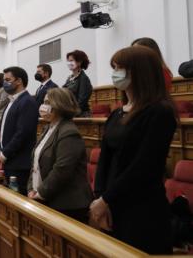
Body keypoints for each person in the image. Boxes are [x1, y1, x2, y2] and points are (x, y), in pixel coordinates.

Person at [91, 46, 177, 254]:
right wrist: (100, 196)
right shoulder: (117, 113)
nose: (115, 73)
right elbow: (105, 159)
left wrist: (107, 199)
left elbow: (144, 165)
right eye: (114, 67)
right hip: (112, 204)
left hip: (141, 207)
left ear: (140, 72)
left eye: (121, 68)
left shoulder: (159, 112)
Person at [27, 88, 92, 223]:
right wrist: (31, 188)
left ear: (59, 105)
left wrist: (41, 193)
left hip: (66, 204)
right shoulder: (48, 128)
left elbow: (62, 170)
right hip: (45, 198)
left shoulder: (68, 132)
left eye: (47, 102)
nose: (43, 106)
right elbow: (35, 163)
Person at [0, 66, 39, 195]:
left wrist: (5, 153)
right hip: (9, 160)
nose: (5, 83)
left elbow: (22, 133)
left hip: (20, 163)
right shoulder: (11, 101)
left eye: (8, 79)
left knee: (18, 200)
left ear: (19, 81)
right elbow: (2, 129)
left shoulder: (27, 102)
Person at [62, 50, 93, 117]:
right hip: (70, 112)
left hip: (80, 115)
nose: (69, 63)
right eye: (68, 61)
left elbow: (81, 101)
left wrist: (71, 113)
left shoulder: (83, 78)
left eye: (71, 60)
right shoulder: (70, 78)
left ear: (79, 62)